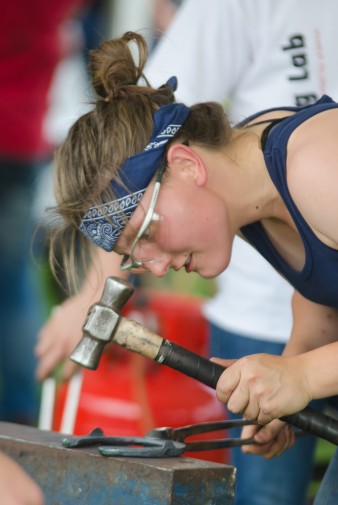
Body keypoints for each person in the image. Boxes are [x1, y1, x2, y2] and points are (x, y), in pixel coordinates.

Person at [35, 1, 338, 504]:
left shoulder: (318, 168)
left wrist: (303, 376)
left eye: (146, 233)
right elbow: (323, 288)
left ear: (186, 165)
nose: (154, 266)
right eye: (136, 256)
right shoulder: (251, 192)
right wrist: (289, 375)